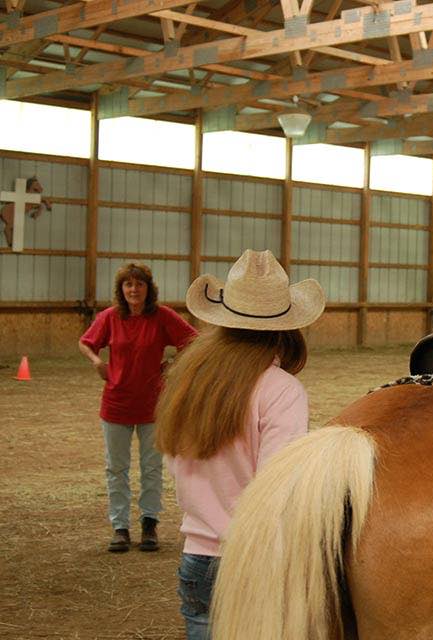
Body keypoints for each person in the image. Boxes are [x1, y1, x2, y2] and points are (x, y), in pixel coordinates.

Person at [155, 249, 324, 640]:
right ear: (287, 326)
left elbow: (175, 462)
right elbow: (275, 487)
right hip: (254, 560)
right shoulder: (281, 390)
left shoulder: (188, 380)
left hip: (197, 555)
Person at [79, 263, 198, 553]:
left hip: (152, 407)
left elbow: (193, 340)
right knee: (116, 468)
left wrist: (173, 366)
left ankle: (149, 524)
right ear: (121, 290)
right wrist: (97, 363)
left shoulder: (161, 317)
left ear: (148, 288)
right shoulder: (109, 318)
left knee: (151, 467)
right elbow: (86, 342)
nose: (134, 290)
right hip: (116, 405)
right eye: (128, 285)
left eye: (139, 284)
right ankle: (120, 527)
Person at [2, 176, 52, 248]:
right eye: (36, 184)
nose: (39, 186)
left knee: (13, 225)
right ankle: (9, 241)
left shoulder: (32, 197)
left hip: (16, 210)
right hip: (9, 210)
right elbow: (37, 202)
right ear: (32, 186)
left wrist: (40, 209)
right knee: (11, 225)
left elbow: (36, 203)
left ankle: (10, 242)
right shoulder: (27, 195)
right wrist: (44, 205)